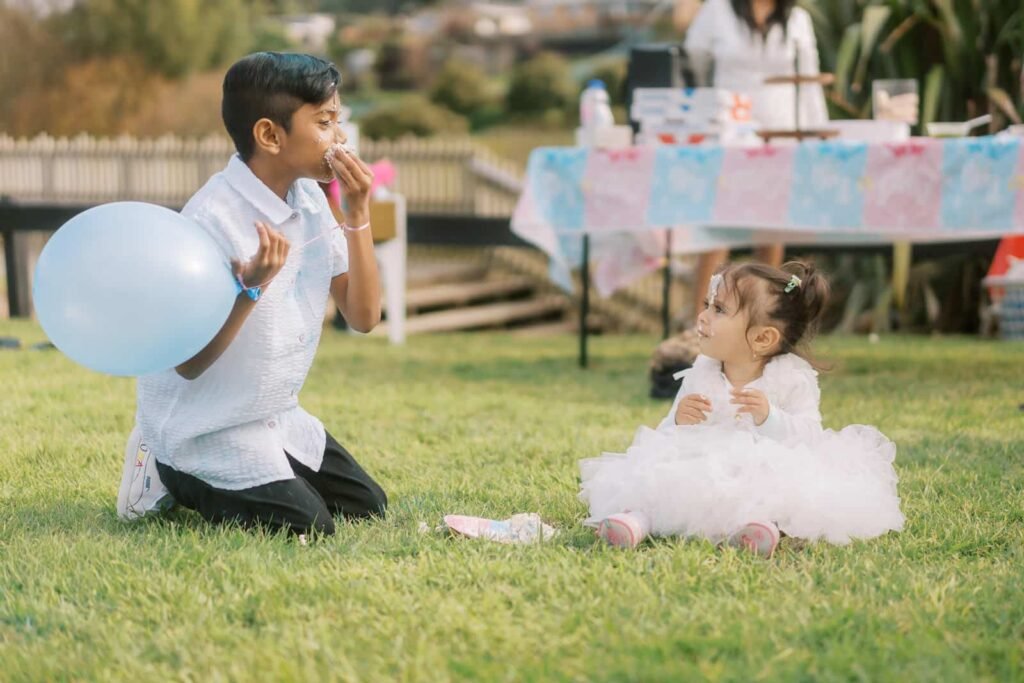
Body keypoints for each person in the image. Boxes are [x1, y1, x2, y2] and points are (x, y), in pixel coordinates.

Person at [116, 52, 387, 537]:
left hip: (271, 414)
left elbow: (364, 317)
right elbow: (188, 364)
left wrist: (358, 212)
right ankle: (160, 462)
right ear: (270, 135)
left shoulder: (309, 199)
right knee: (309, 528)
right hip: (201, 426)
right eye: (325, 122)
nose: (340, 138)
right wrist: (250, 288)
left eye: (337, 121)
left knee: (369, 507)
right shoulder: (210, 220)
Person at [580, 261, 904, 555]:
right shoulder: (702, 371)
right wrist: (679, 419)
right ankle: (637, 519)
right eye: (707, 305)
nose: (703, 316)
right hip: (700, 462)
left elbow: (810, 435)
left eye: (719, 310)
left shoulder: (789, 379)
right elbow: (665, 435)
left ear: (762, 339)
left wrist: (770, 418)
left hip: (764, 465)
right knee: (660, 475)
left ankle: (758, 527)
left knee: (776, 489)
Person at [684, 0, 829, 316]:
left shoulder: (798, 19)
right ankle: (699, 321)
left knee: (771, 228)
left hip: (780, 137)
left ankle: (760, 317)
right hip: (729, 138)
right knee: (716, 227)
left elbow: (809, 82)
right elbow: (693, 62)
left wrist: (817, 136)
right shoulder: (717, 11)